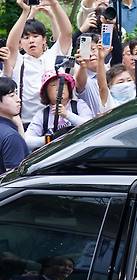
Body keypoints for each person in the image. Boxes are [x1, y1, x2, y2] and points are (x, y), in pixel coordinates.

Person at [4, 0, 73, 128]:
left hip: (58, 120)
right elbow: (11, 45)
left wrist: (54, 4)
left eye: (35, 36)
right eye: (26, 38)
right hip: (27, 123)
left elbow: (67, 33)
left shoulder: (55, 55)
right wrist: (25, 12)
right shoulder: (19, 61)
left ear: (44, 39)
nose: (31, 41)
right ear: (21, 43)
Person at [24, 72, 93, 150]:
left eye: (63, 84)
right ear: (46, 92)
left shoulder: (79, 105)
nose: (59, 88)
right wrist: (50, 139)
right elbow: (27, 141)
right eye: (53, 85)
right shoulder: (42, 114)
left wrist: (67, 115)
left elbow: (91, 126)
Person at [0, 77, 28, 172]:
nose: (18, 99)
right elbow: (14, 177)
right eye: (12, 95)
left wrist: (19, 126)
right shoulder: (10, 136)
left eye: (16, 94)